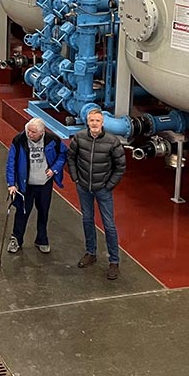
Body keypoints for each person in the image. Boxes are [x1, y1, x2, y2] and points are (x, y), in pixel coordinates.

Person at [67, 108, 126, 280]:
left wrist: (109, 186)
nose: (94, 124)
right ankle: (90, 253)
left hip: (103, 189)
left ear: (102, 123)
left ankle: (114, 261)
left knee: (109, 225)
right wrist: (76, 178)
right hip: (84, 187)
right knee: (87, 219)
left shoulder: (112, 141)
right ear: (87, 122)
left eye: (97, 121)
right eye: (91, 120)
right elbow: (71, 157)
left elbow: (120, 166)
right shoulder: (79, 138)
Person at [5, 117, 66, 255]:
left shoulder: (52, 140)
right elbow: (11, 163)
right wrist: (11, 184)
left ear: (42, 132)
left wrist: (54, 169)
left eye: (33, 132)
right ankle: (16, 239)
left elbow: (62, 155)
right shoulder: (19, 140)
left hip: (44, 184)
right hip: (26, 186)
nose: (30, 134)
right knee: (22, 212)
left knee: (43, 212)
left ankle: (42, 239)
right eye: (28, 131)